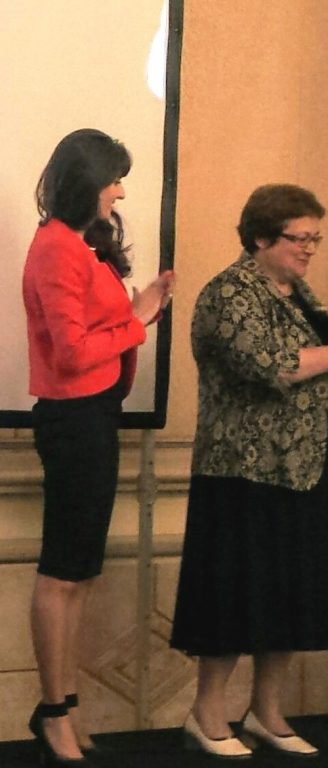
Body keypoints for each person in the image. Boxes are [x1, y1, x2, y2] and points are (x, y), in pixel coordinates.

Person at [170, 183, 328, 759]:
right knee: (232, 596)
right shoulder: (230, 292)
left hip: (303, 467)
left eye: (315, 239)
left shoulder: (298, 292)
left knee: (288, 595)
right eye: (298, 238)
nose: (309, 249)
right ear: (261, 237)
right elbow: (273, 365)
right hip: (243, 471)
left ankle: (267, 711)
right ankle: (207, 714)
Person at [22, 128, 174, 768]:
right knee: (62, 573)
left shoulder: (77, 246)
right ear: (87, 182)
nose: (120, 192)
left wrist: (142, 307)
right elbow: (72, 352)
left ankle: (66, 707)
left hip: (94, 417)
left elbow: (94, 331)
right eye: (113, 180)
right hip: (74, 419)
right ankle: (54, 712)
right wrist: (137, 322)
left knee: (80, 574)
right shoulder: (58, 247)